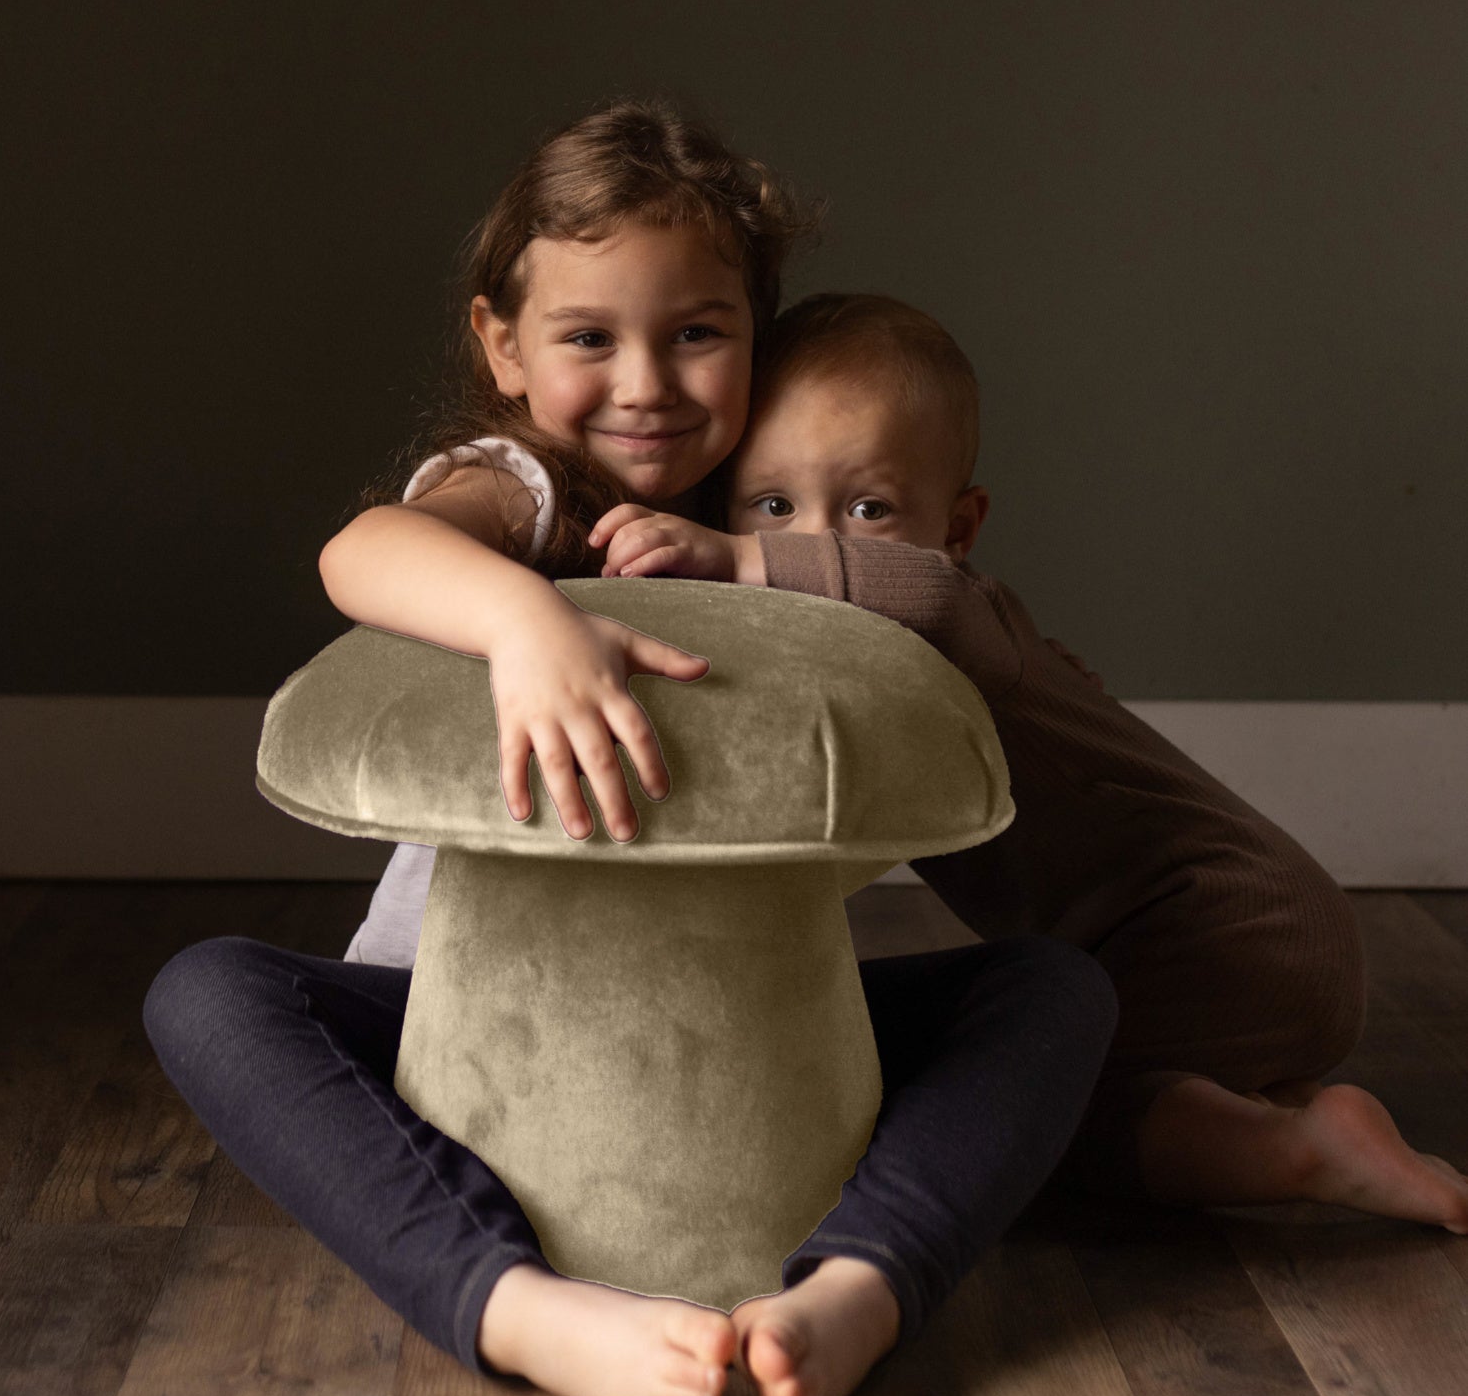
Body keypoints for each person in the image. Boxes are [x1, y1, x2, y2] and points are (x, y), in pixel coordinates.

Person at [144, 100, 1119, 1396]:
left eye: (697, 332)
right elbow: (361, 552)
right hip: (450, 1014)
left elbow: (929, 594)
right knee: (208, 991)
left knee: (1051, 990)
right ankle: (519, 1307)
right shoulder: (529, 486)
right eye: (587, 337)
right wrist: (525, 620)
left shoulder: (761, 503)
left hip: (747, 1026)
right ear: (501, 346)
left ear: (756, 336)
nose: (645, 383)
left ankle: (854, 1289)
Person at [585, 290, 1468, 1233]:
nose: (808, 539)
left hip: (1232, 926)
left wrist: (732, 554)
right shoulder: (914, 659)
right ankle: (1262, 1108)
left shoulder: (965, 613)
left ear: (959, 530)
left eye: (869, 507)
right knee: (1067, 1084)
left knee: (1002, 1114)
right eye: (771, 504)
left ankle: (1292, 1150)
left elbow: (925, 597)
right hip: (1208, 946)